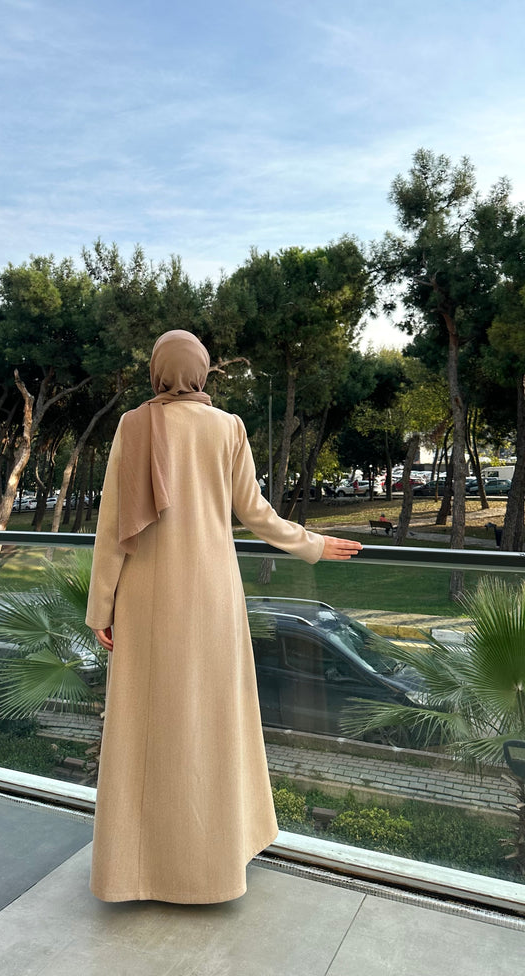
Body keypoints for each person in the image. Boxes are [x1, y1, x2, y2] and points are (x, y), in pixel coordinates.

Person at [85, 330, 362, 904]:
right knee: (214, 725)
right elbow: (257, 514)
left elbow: (112, 528)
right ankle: (212, 868)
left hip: (146, 599)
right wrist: (312, 543)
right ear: (202, 371)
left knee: (144, 729)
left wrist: (101, 608)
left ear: (158, 370)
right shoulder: (228, 427)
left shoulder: (133, 426)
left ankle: (135, 871)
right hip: (213, 599)